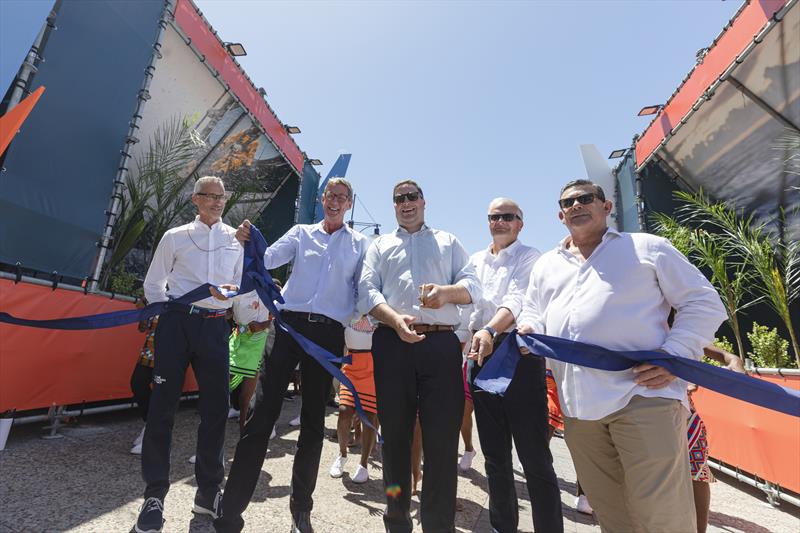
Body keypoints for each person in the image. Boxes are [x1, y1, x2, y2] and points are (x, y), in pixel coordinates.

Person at [517, 179, 727, 533]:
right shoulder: (546, 265)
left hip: (644, 396)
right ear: (559, 214)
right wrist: (527, 329)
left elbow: (703, 302)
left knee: (663, 515)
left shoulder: (647, 248)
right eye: (568, 203)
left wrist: (673, 354)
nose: (576, 206)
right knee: (612, 514)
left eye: (586, 198)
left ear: (606, 206)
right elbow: (533, 311)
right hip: (579, 407)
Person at [214, 178, 368, 533]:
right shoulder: (300, 233)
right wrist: (244, 242)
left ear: (349, 204)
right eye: (330, 195)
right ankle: (231, 509)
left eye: (342, 198)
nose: (335, 201)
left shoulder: (361, 245)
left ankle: (301, 509)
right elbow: (266, 259)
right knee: (260, 415)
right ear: (322, 199)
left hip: (327, 336)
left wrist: (363, 320)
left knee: (313, 425)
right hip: (287, 329)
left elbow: (363, 289)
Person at [358, 179, 481, 533]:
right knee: (394, 440)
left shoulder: (448, 241)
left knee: (442, 442)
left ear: (424, 201)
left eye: (412, 197)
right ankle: (396, 521)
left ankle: (438, 526)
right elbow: (366, 290)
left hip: (440, 347)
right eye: (399, 199)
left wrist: (447, 293)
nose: (406, 203)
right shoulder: (379, 245)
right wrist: (395, 320)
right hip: (392, 344)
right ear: (394, 205)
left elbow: (473, 285)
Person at [136, 176, 243, 533]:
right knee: (162, 408)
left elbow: (240, 284)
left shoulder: (235, 240)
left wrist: (231, 302)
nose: (216, 202)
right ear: (195, 199)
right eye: (209, 196)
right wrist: (163, 313)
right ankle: (154, 496)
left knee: (215, 410)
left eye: (221, 197)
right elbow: (154, 283)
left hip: (215, 327)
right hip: (176, 325)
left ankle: (208, 494)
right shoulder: (176, 236)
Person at [467, 197, 563, 533]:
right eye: (494, 216)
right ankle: (502, 526)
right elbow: (466, 307)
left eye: (508, 216)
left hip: (517, 357)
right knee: (494, 456)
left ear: (521, 222)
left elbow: (519, 299)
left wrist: (491, 329)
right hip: (480, 358)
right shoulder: (475, 261)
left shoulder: (530, 257)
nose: (500, 222)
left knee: (535, 458)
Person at [330, 315, 380, 483]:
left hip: (374, 364)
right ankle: (342, 455)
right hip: (351, 363)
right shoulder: (348, 305)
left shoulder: (382, 306)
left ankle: (363, 464)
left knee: (370, 416)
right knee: (344, 411)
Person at [228, 290, 271, 434]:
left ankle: (244, 436)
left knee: (246, 397)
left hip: (257, 343)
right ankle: (211, 444)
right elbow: (226, 310)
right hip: (237, 340)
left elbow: (279, 316)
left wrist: (263, 325)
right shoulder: (237, 287)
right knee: (222, 392)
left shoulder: (270, 290)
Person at [129, 304, 157, 456]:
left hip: (172, 350)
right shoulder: (155, 292)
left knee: (162, 392)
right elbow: (142, 327)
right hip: (149, 350)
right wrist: (144, 318)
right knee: (137, 383)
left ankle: (152, 434)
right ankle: (149, 425)